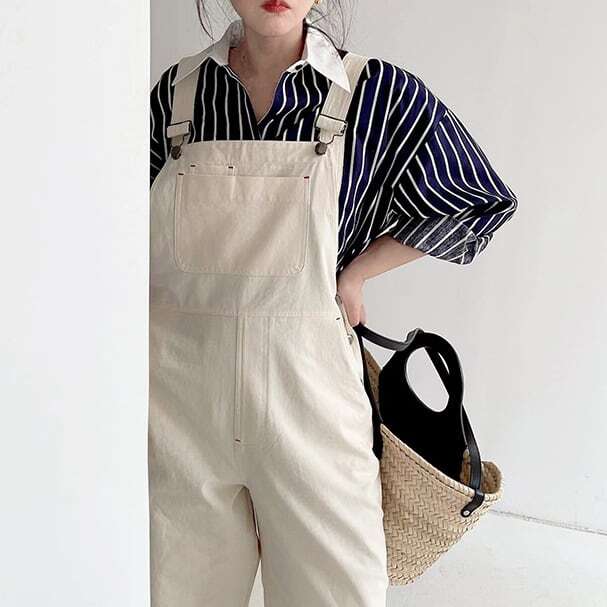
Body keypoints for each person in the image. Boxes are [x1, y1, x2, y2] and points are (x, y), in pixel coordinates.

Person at [148, 2, 518, 605]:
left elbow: (475, 201)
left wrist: (357, 274)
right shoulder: (175, 95)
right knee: (178, 594)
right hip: (178, 409)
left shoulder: (374, 93)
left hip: (313, 403)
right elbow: (107, 228)